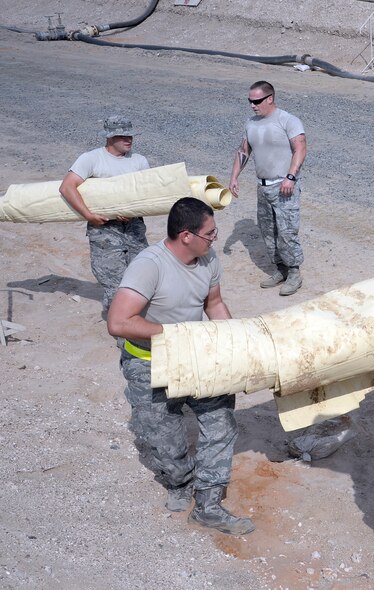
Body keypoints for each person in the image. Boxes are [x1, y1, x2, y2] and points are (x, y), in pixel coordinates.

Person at [106, 197, 255, 536]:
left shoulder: (208, 259)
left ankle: (208, 506)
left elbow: (213, 303)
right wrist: (175, 335)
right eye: (210, 234)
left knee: (220, 423)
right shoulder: (149, 265)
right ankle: (179, 482)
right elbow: (118, 321)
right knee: (162, 434)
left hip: (195, 355)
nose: (215, 239)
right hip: (149, 360)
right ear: (186, 235)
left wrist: (235, 343)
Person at [59, 115, 151, 318]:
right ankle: (121, 329)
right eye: (122, 136)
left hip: (134, 228)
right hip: (105, 230)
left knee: (142, 277)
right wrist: (89, 215)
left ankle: (138, 321)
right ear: (109, 137)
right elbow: (67, 187)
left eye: (131, 136)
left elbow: (147, 194)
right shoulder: (92, 158)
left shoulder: (139, 161)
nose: (129, 140)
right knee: (115, 283)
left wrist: (134, 211)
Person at [229, 80, 307, 296]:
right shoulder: (251, 123)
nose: (253, 105)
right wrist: (234, 176)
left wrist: (290, 177)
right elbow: (243, 150)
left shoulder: (288, 120)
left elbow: (300, 147)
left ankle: (294, 273)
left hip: (284, 186)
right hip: (262, 187)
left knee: (286, 231)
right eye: (250, 101)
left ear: (270, 98)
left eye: (257, 101)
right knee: (268, 231)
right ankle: (280, 269)